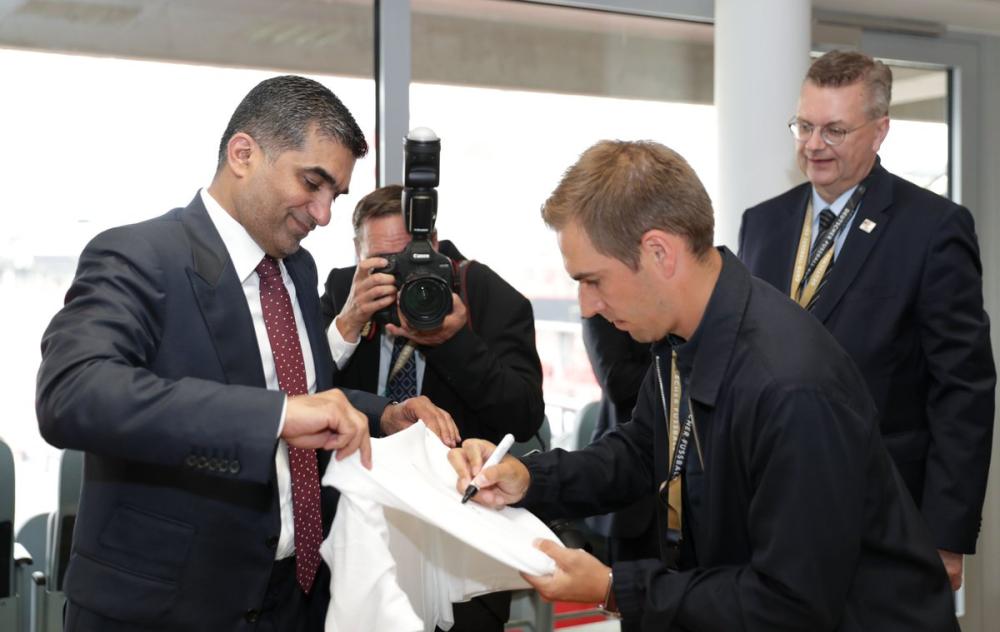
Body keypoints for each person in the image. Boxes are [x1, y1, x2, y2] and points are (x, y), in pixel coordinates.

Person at [449, 140, 959, 631]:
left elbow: (790, 605)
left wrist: (613, 587)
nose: (587, 306)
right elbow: (642, 451)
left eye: (593, 280)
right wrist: (531, 479)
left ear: (659, 253)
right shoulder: (683, 334)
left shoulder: (790, 387)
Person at [35, 75, 450, 632]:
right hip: (168, 609)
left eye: (335, 196)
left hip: (294, 597)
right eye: (313, 183)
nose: (324, 214)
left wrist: (384, 415)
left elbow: (306, 393)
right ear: (243, 154)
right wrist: (277, 416)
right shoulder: (138, 254)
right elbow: (72, 394)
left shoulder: (298, 268)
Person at [738, 50, 995, 590]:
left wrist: (946, 534)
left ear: (879, 131)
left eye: (834, 130)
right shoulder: (762, 224)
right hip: (772, 508)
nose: (813, 145)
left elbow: (963, 390)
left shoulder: (933, 228)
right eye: (804, 126)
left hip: (883, 514)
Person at [319, 184, 545, 631]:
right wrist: (347, 323)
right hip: (364, 521)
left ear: (434, 247)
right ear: (358, 254)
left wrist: (454, 342)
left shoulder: (488, 296)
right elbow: (305, 392)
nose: (400, 276)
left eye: (409, 258)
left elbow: (521, 416)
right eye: (383, 263)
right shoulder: (346, 288)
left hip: (460, 529)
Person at [581, 314, 658, 599]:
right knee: (633, 601)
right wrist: (683, 363)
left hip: (691, 492)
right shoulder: (602, 307)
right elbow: (617, 381)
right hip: (634, 491)